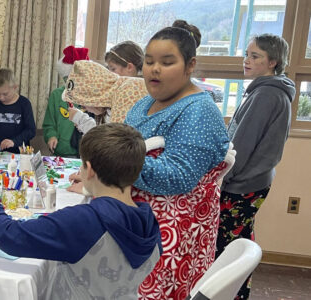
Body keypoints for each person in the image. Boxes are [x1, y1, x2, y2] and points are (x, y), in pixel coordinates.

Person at [0, 123, 162, 300]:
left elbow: (10, 236)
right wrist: (92, 188)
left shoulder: (86, 221)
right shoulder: (149, 222)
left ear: (88, 170)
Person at [123, 20, 229, 299]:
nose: (154, 69)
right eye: (148, 61)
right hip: (137, 224)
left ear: (190, 65)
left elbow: (176, 177)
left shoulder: (198, 111)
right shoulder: (143, 104)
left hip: (170, 238)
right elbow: (122, 143)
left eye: (167, 62)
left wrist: (113, 160)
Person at [217, 34, 295, 300]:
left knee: (228, 247)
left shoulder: (266, 94)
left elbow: (242, 146)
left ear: (273, 61)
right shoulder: (268, 90)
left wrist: (224, 179)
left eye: (255, 56)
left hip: (242, 184)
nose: (246, 61)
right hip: (254, 181)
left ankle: (230, 294)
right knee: (239, 241)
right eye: (246, 55)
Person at [42, 45, 89, 157]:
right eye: (67, 79)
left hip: (85, 154)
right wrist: (51, 136)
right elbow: (49, 124)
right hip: (61, 153)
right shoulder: (56, 95)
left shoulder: (91, 98)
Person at [0, 68, 36, 154]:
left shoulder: (24, 104)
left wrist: (14, 141)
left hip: (19, 153)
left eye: (5, 94)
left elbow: (31, 130)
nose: (1, 97)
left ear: (15, 87)